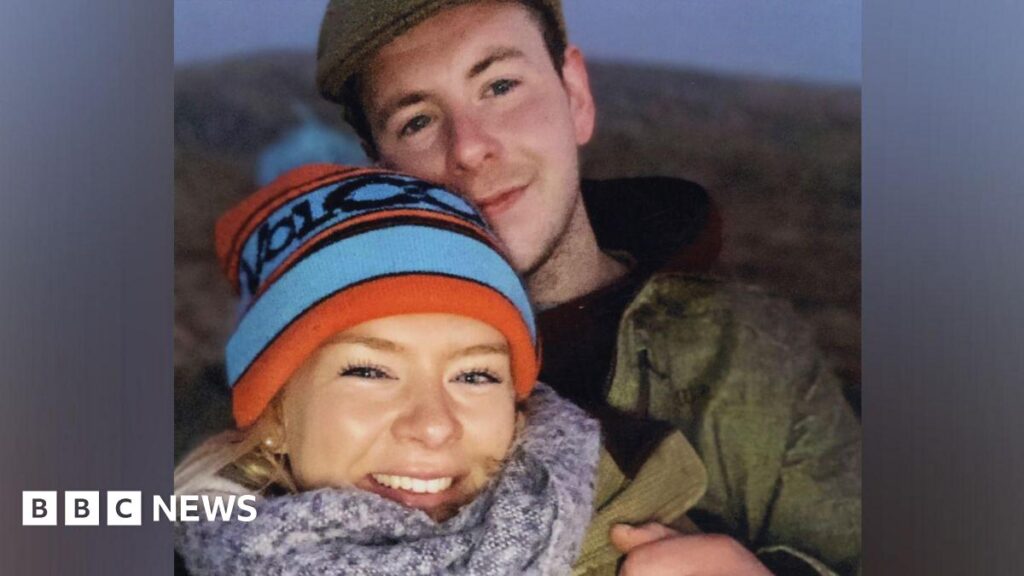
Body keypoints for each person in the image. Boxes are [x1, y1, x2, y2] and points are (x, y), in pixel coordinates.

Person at [315, 1, 862, 574]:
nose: (470, 148)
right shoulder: (323, 377)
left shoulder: (752, 352)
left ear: (574, 95)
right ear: (383, 173)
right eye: (417, 122)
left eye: (499, 86)